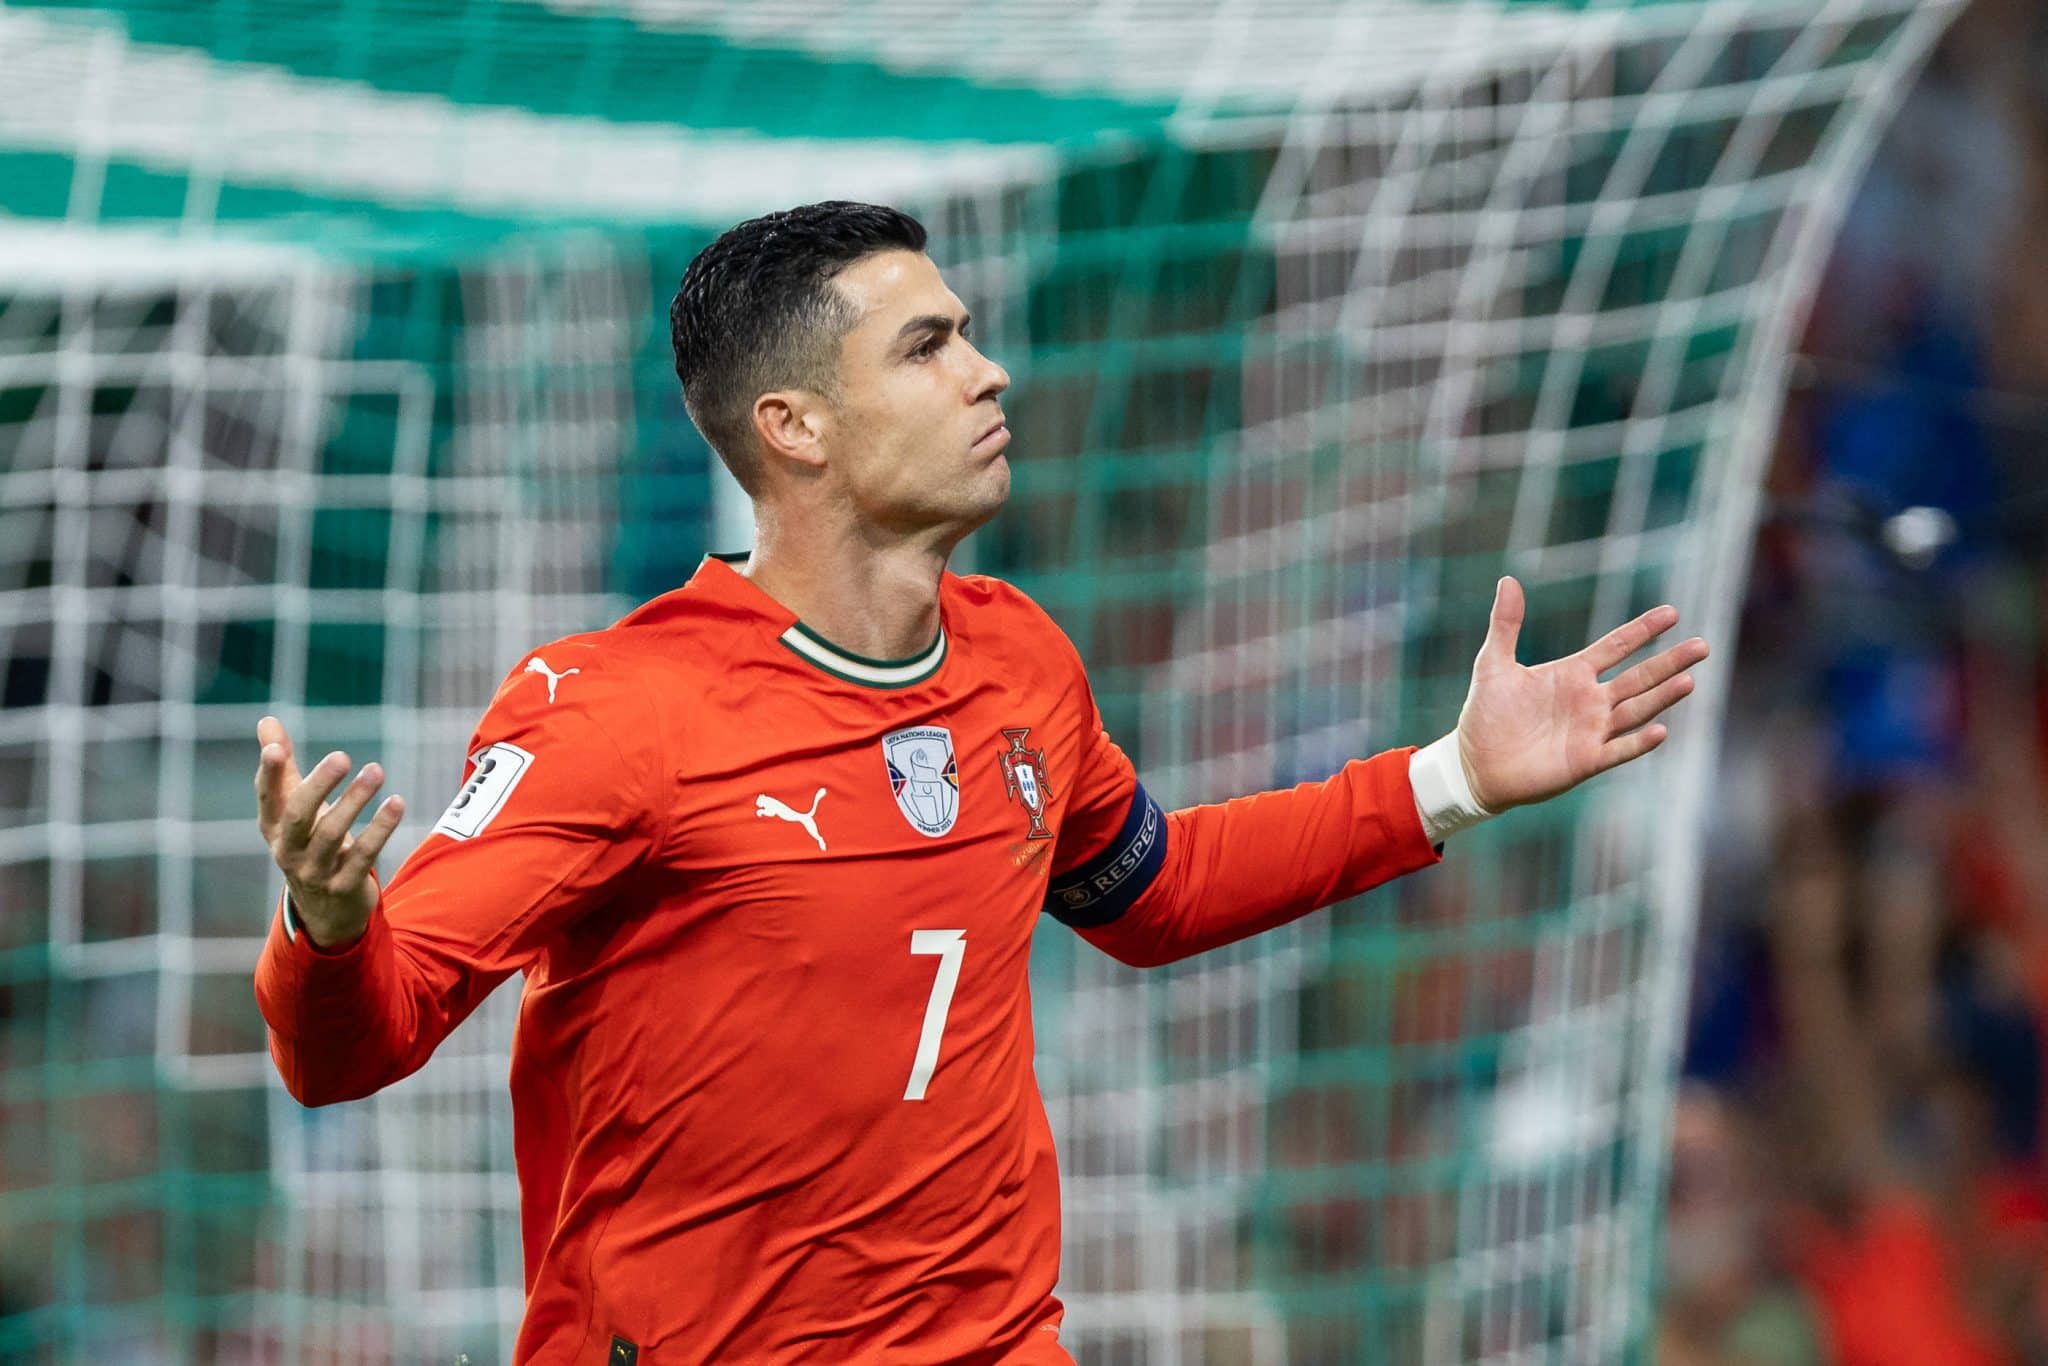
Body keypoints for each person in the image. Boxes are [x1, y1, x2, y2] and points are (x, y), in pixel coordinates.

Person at [250, 201, 1708, 1363]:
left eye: (970, 335)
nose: (986, 369)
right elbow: (351, 1049)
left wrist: (1450, 776)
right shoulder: (623, 712)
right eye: (926, 346)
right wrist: (323, 923)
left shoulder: (1020, 662)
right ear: (795, 427)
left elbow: (1154, 892)